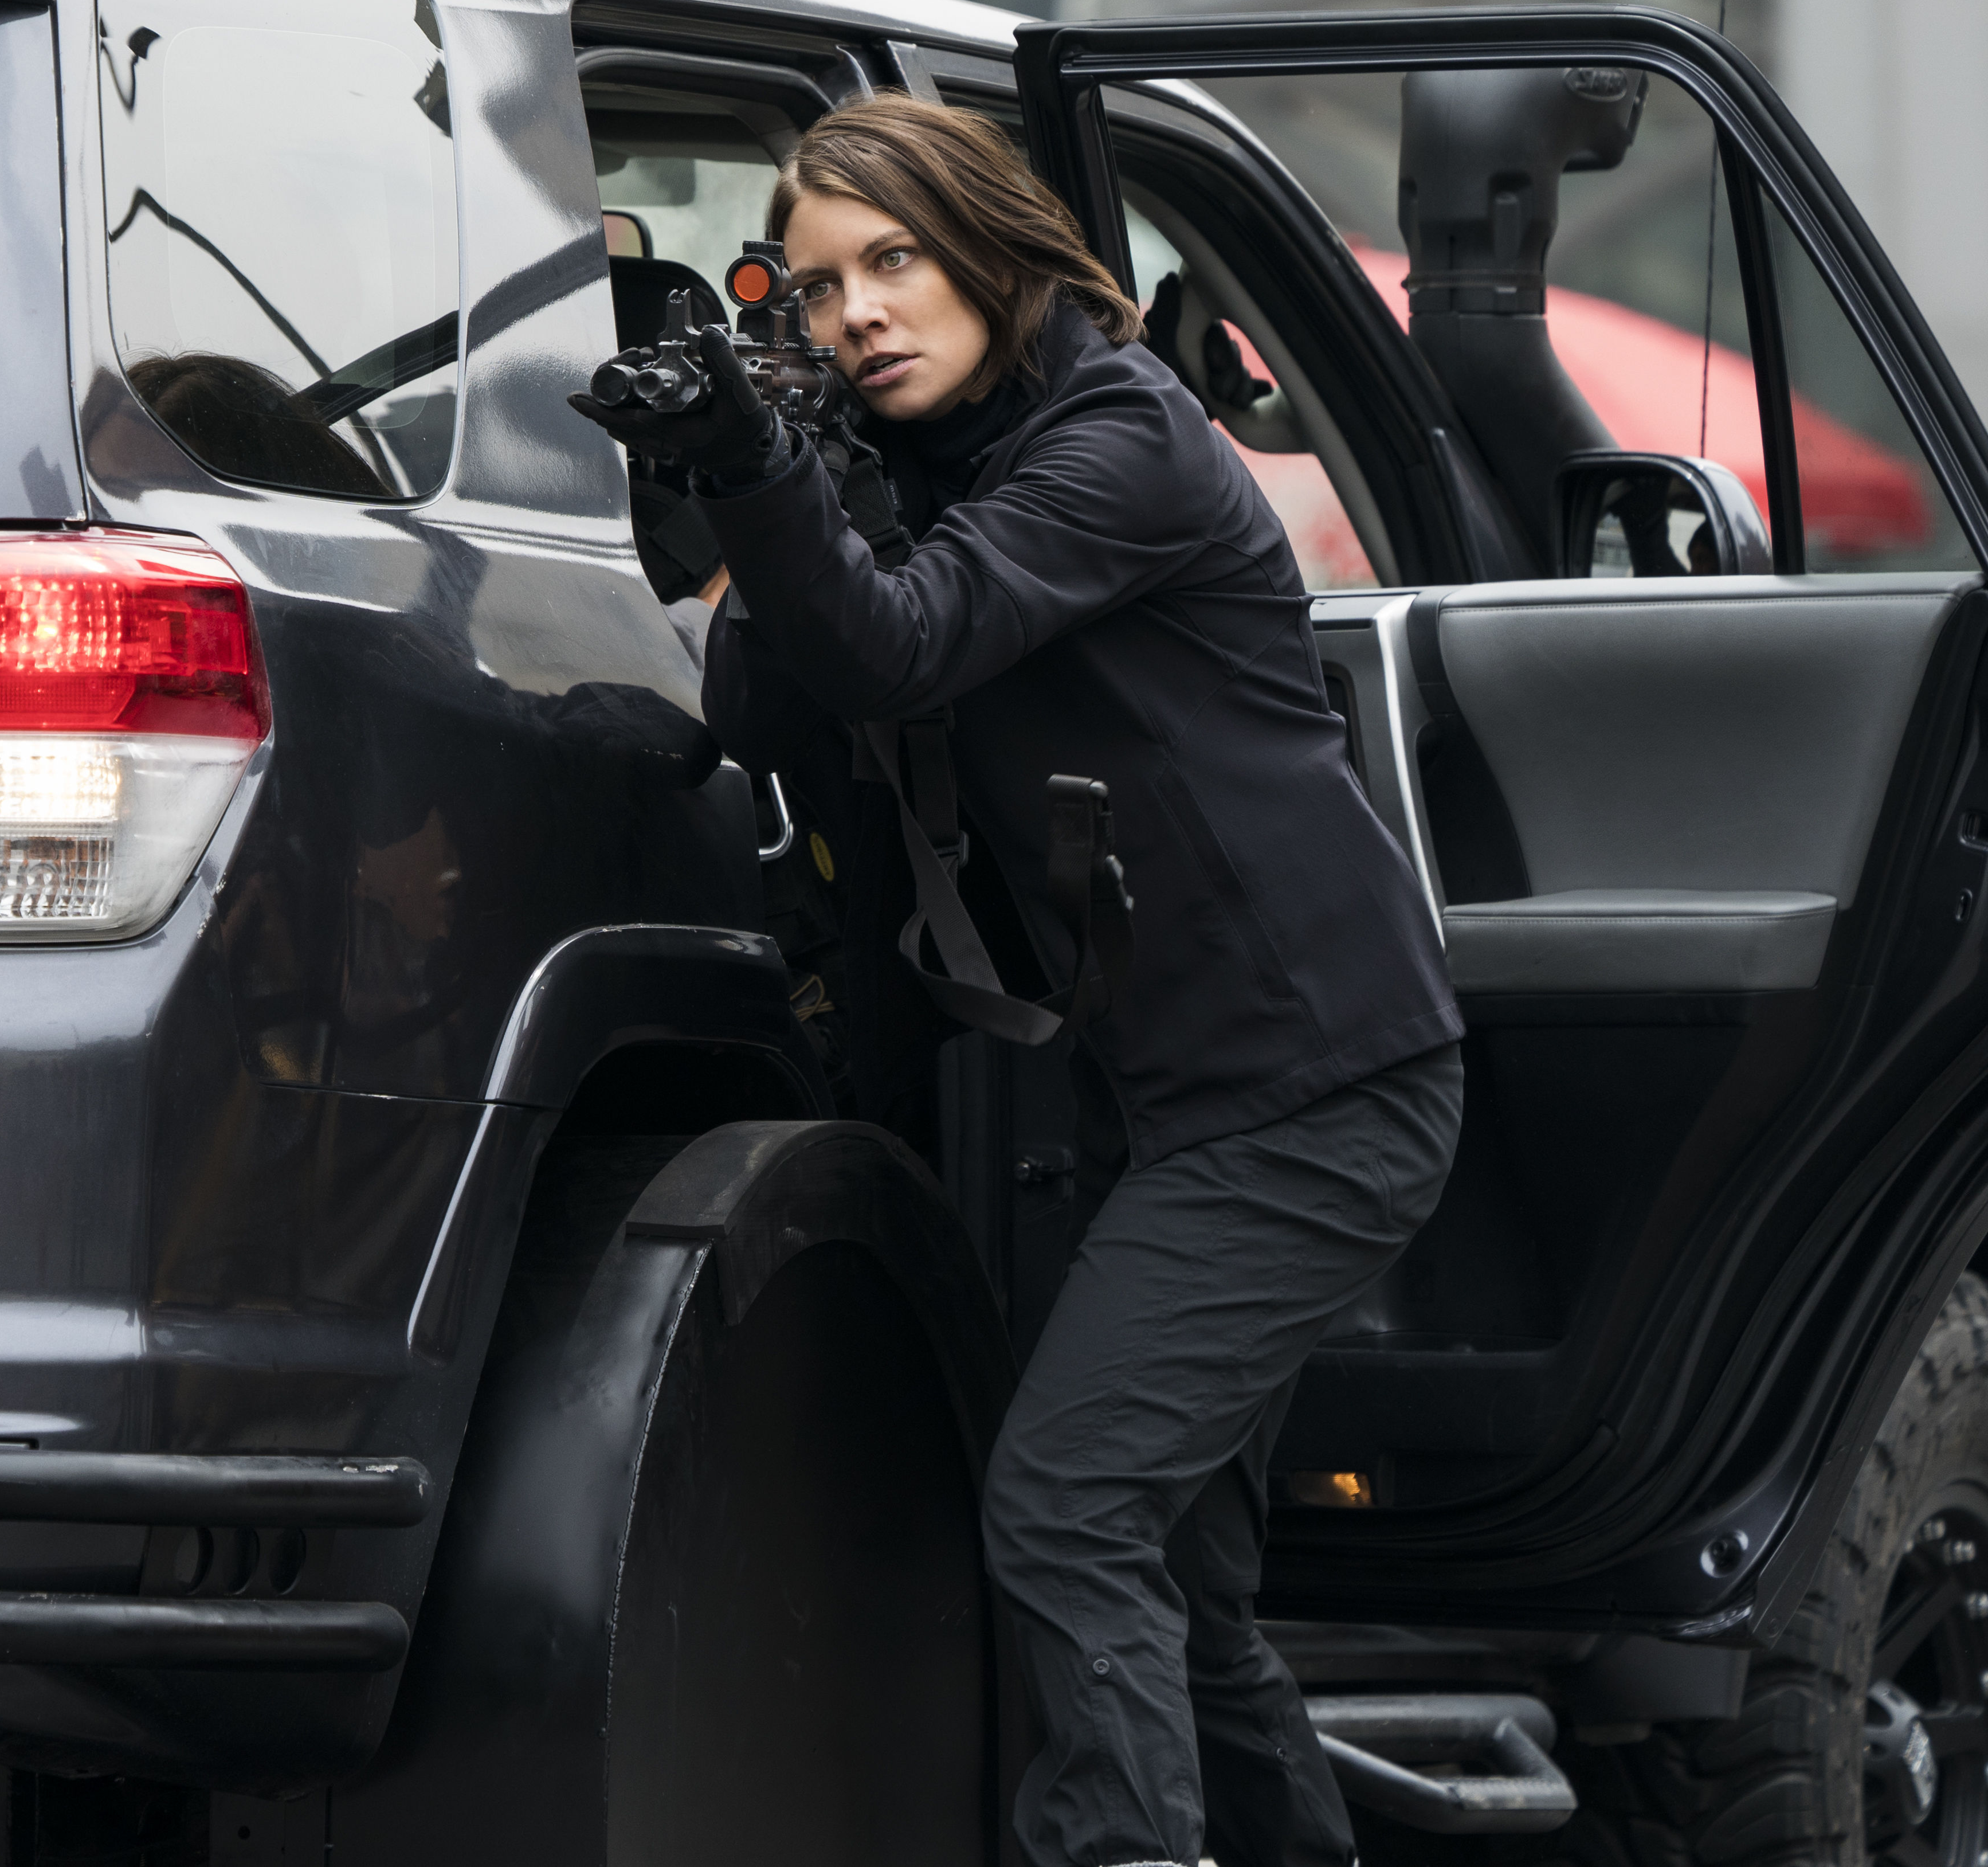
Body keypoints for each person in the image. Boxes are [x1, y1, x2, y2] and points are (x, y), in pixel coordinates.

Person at [571, 93, 1465, 1867]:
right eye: (816, 290)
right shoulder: (934, 458)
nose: (857, 314)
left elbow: (903, 646)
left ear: (989, 249)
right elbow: (766, 702)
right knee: (1180, 1584)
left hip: (1312, 1090)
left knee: (1064, 1508)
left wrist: (759, 462)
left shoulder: (1118, 437)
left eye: (893, 261)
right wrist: (779, 464)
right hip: (1179, 1101)